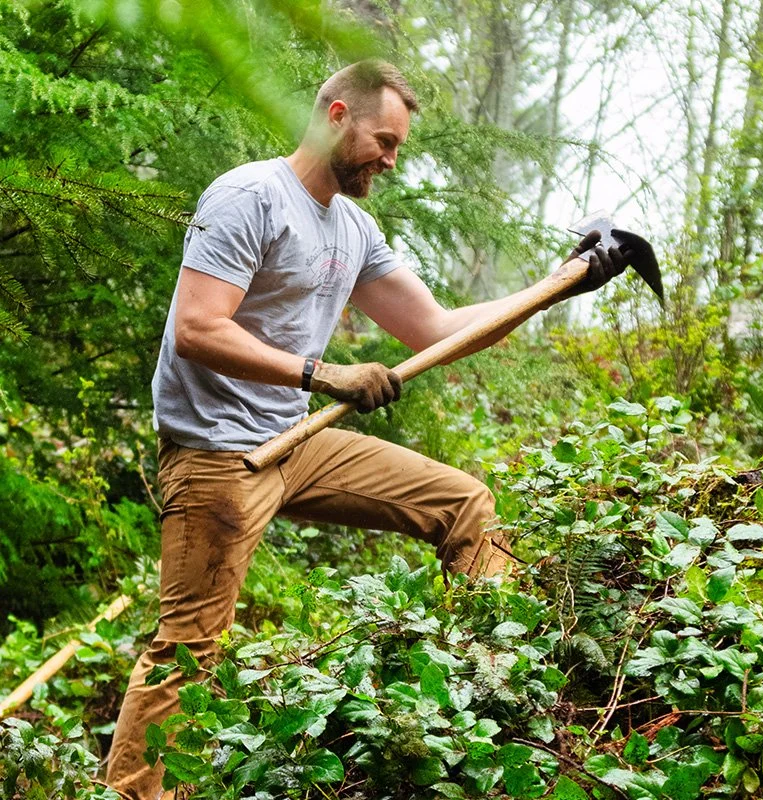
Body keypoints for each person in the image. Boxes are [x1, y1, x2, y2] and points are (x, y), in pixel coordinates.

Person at [107, 59, 629, 799]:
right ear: (338, 115)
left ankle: (492, 693)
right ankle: (134, 794)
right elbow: (196, 329)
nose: (390, 159)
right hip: (221, 454)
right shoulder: (248, 197)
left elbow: (438, 329)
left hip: (298, 441)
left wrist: (556, 284)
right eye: (384, 141)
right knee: (187, 649)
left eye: (398, 148)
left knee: (464, 506)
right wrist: (324, 375)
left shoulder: (352, 226)